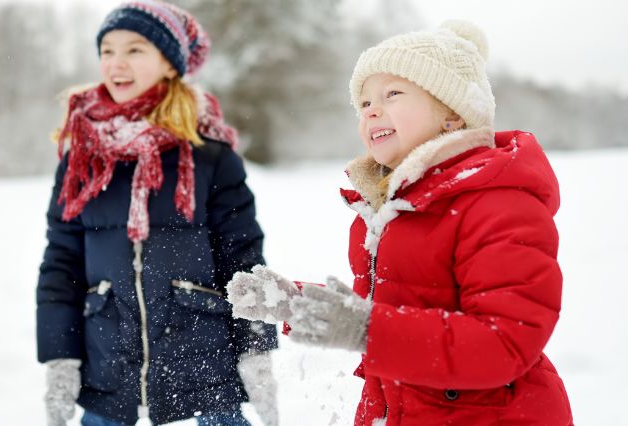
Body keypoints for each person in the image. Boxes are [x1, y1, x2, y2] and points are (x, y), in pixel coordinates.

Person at [227, 20, 573, 425]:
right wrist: (298, 303)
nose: (372, 109)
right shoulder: (392, 207)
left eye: (392, 94)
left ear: (452, 116)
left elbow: (505, 343)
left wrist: (366, 330)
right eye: (365, 102)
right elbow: (398, 309)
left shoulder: (497, 203)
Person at [36, 2, 278, 425]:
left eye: (134, 50)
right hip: (109, 376)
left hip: (205, 377)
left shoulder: (210, 159)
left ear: (170, 64)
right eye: (107, 50)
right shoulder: (81, 160)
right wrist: (60, 359)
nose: (117, 63)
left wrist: (256, 351)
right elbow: (61, 264)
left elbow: (244, 262)